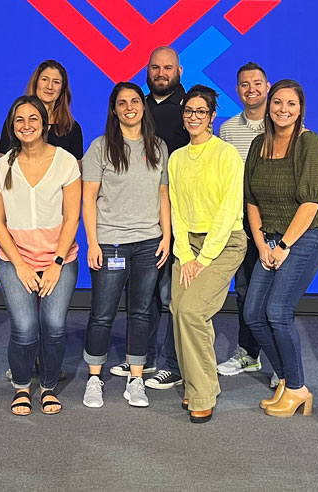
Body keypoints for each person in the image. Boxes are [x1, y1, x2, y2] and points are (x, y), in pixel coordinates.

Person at [243, 79, 318, 417]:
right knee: (253, 313)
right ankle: (287, 379)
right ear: (268, 105)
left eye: (290, 104)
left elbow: (311, 202)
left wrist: (283, 244)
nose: (283, 109)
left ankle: (297, 388)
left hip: (306, 237)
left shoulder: (309, 143)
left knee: (277, 311)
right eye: (277, 102)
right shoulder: (258, 146)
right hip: (270, 239)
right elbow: (251, 200)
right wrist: (263, 241)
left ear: (300, 108)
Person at [81, 82, 171, 408]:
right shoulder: (100, 147)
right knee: (102, 314)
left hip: (149, 242)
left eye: (135, 101)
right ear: (114, 109)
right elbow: (88, 198)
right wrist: (93, 242)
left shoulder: (158, 147)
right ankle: (94, 378)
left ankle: (136, 379)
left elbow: (164, 196)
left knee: (141, 312)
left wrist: (167, 236)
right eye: (122, 103)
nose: (129, 107)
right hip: (111, 243)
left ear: (143, 107)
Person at [0, 96, 81, 416]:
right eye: (19, 120)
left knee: (54, 325)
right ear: (12, 126)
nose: (26, 125)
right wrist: (20, 265)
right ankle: (21, 387)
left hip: (60, 259)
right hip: (15, 260)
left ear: (45, 123)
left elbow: (72, 218)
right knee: (26, 328)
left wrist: (56, 264)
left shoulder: (66, 162)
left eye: (32, 119)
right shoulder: (2, 166)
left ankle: (48, 387)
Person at [168, 85, 247, 423]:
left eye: (201, 111)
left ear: (212, 116)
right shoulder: (176, 158)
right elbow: (177, 211)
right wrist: (186, 255)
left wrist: (203, 259)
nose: (194, 117)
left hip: (225, 242)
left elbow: (228, 211)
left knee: (192, 312)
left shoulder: (226, 154)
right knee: (177, 310)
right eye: (189, 111)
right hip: (188, 246)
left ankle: (204, 391)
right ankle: (195, 385)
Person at [116, 46, 188, 391]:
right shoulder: (138, 106)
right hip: (143, 217)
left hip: (181, 214)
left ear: (180, 70)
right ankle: (140, 357)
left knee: (169, 295)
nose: (161, 72)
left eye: (168, 67)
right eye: (155, 67)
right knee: (142, 293)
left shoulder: (190, 108)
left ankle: (173, 364)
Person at [216, 62, 279, 389]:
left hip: (277, 225)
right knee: (243, 291)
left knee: (274, 297)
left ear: (267, 86)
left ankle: (282, 364)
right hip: (241, 223)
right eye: (244, 84)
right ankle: (248, 352)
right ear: (237, 89)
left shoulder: (282, 123)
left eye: (257, 83)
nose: (251, 89)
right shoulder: (227, 129)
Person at [0, 60, 83, 161]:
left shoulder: (71, 128)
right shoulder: (15, 122)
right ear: (36, 83)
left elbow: (76, 170)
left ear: (62, 89)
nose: (49, 86)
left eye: (56, 82)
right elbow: (3, 164)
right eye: (44, 79)